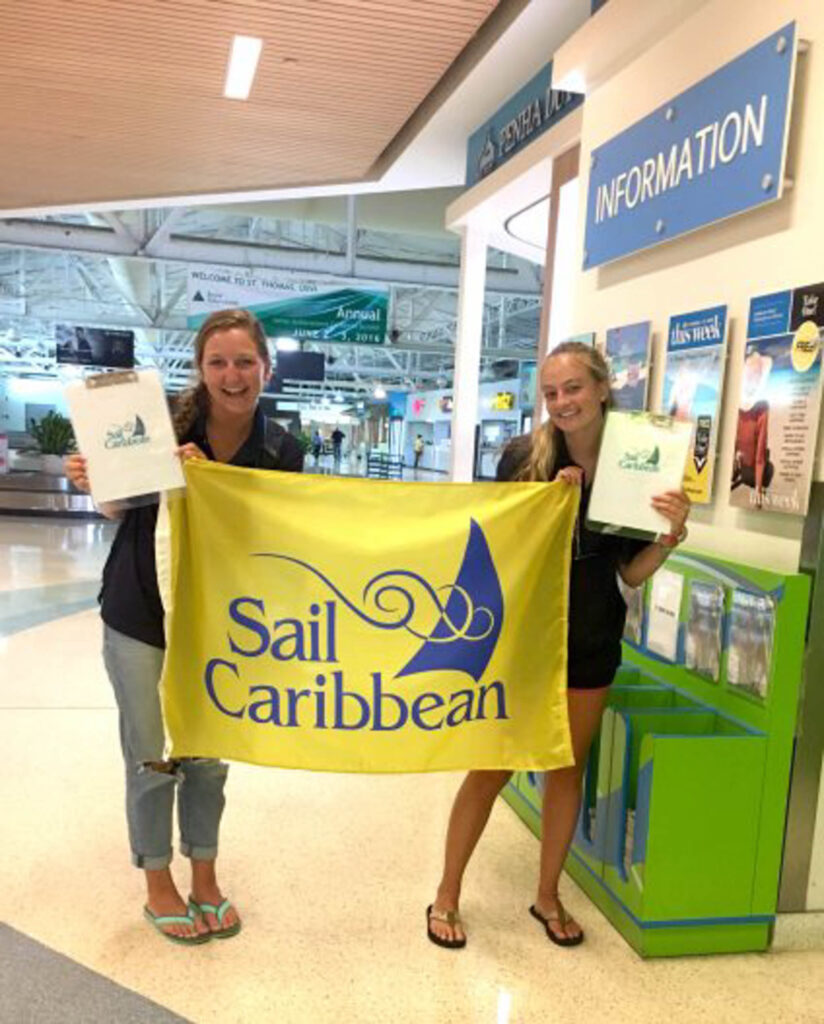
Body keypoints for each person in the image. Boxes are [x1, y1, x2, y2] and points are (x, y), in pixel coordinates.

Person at [426, 341, 689, 950]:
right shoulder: (525, 456)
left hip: (593, 638)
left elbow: (628, 574)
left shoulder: (638, 464)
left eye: (573, 388)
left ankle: (546, 896)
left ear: (601, 389)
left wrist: (671, 537)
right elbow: (493, 548)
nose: (562, 402)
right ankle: (445, 894)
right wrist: (549, 506)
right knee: (490, 766)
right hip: (522, 640)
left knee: (567, 769)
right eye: (550, 392)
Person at [65, 309, 303, 945]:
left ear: (266, 369)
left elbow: (281, 539)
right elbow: (117, 508)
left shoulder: (281, 449)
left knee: (208, 756)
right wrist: (97, 481)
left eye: (245, 362)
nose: (233, 375)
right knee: (151, 754)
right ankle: (157, 881)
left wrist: (215, 487)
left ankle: (205, 871)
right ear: (200, 370)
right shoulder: (158, 422)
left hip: (222, 622)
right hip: (141, 611)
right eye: (218, 362)